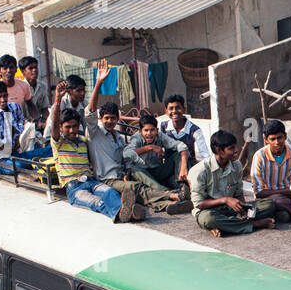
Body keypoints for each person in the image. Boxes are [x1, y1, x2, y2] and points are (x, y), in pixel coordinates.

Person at [84, 62, 189, 216]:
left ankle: (168, 204)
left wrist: (126, 171)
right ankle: (172, 196)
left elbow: (125, 159)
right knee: (136, 188)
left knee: (140, 191)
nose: (110, 122)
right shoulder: (94, 133)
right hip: (108, 179)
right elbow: (90, 111)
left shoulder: (118, 137)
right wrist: (99, 82)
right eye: (106, 118)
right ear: (100, 118)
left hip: (123, 175)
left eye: (113, 119)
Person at [47, 85, 140, 223]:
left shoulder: (83, 141)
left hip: (92, 181)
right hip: (74, 187)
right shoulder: (58, 143)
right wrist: (58, 100)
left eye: (74, 126)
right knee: (97, 202)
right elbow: (54, 124)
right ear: (61, 128)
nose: (72, 130)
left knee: (110, 192)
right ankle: (121, 214)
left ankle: (126, 211)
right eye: (67, 127)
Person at [189, 130, 276, 237]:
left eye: (236, 147)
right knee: (208, 219)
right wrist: (225, 200)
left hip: (232, 208)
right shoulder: (200, 170)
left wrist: (243, 210)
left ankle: (228, 225)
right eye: (231, 148)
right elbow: (199, 204)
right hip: (209, 211)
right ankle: (254, 224)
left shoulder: (236, 165)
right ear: (219, 150)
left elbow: (238, 193)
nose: (236, 150)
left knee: (269, 204)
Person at [249, 120, 291, 223]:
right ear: (265, 139)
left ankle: (283, 213)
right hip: (267, 198)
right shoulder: (259, 156)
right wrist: (288, 191)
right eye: (273, 139)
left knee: (288, 208)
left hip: (290, 196)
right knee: (277, 200)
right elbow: (258, 192)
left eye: (279, 137)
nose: (277, 142)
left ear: (285, 136)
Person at [125, 111, 189, 190]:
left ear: (157, 130)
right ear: (140, 131)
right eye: (146, 130)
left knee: (178, 154)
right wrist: (149, 147)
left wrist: (183, 167)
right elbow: (127, 154)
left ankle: (180, 185)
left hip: (157, 170)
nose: (149, 133)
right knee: (134, 169)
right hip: (143, 173)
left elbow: (181, 146)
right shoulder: (137, 138)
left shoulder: (160, 135)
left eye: (152, 130)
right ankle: (165, 191)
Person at [160, 94, 209, 165]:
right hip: (169, 166)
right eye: (171, 108)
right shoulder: (163, 127)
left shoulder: (194, 130)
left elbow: (204, 154)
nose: (174, 111)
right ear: (166, 111)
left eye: (178, 108)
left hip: (187, 165)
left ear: (184, 109)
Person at [43, 74, 87, 141]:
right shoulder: (60, 103)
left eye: (83, 90)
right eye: (79, 91)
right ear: (69, 91)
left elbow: (86, 125)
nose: (82, 93)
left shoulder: (84, 103)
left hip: (69, 135)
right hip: (52, 138)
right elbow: (54, 124)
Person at [18, 56, 48, 123]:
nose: (34, 70)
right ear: (23, 71)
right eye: (30, 68)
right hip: (23, 124)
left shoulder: (43, 86)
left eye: (35, 67)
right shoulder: (19, 88)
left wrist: (47, 122)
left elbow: (45, 109)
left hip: (39, 122)